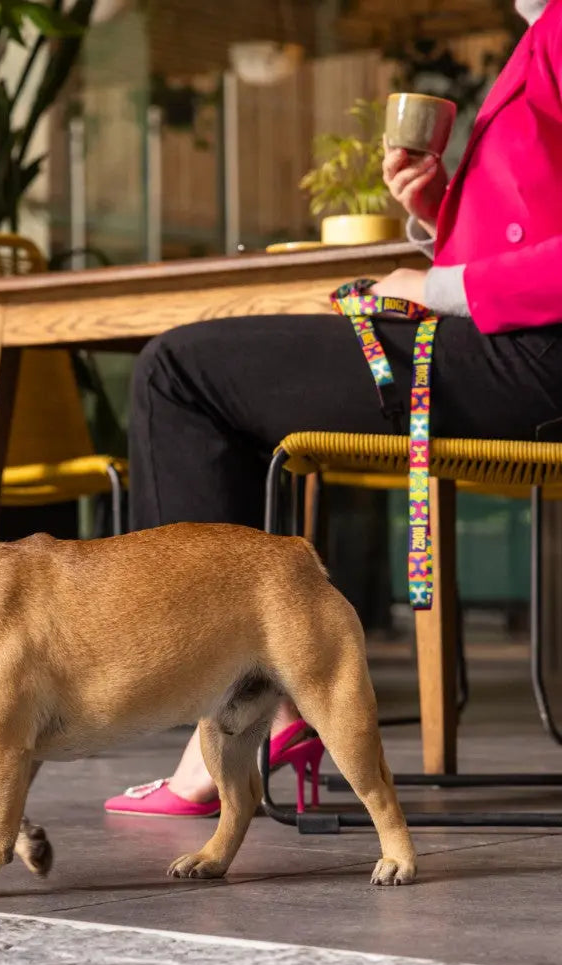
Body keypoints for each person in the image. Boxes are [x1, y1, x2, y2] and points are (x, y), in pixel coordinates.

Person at [105, 0, 562, 817]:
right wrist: (440, 211)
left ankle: (239, 715)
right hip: (524, 351)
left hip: (538, 359)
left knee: (181, 374)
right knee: (202, 379)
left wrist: (442, 286)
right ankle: (260, 699)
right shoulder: (543, 30)